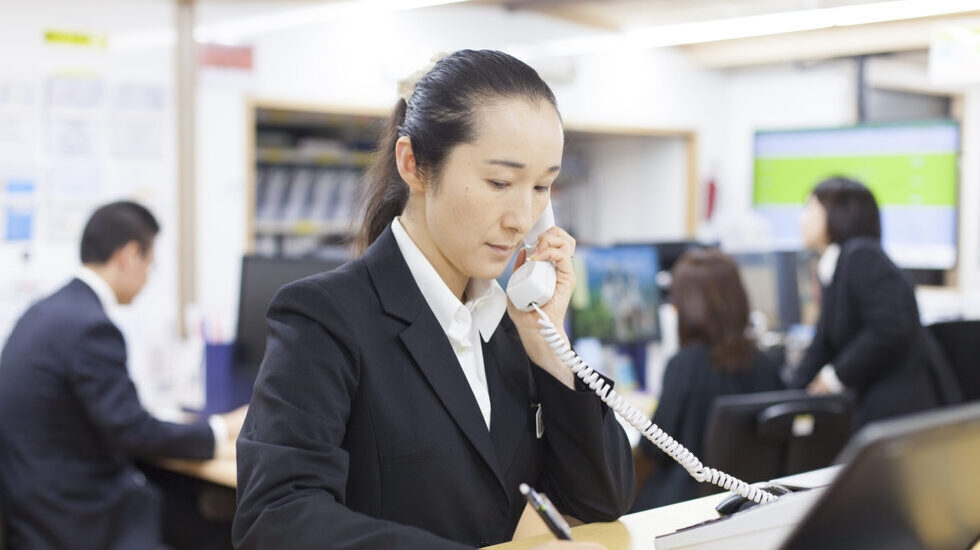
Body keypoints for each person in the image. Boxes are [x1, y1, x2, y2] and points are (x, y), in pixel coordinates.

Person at [232, 49, 635, 550]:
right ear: (413, 164)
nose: (521, 218)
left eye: (541, 187)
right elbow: (276, 519)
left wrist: (549, 346)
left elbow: (602, 500)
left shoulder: (509, 329)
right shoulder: (324, 317)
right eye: (500, 182)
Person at [0, 200, 247, 550]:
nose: (147, 278)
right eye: (150, 264)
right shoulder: (89, 327)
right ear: (130, 255)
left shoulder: (45, 312)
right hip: (76, 514)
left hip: (33, 503)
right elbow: (133, 431)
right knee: (228, 528)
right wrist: (221, 429)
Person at [630, 249, 784, 511]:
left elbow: (652, 448)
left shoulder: (684, 366)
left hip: (685, 509)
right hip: (748, 506)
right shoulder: (767, 365)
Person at [787, 176, 947, 429]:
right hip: (878, 413)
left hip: (898, 415)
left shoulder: (861, 255)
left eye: (810, 208)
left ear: (838, 213)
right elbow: (823, 342)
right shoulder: (835, 266)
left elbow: (889, 327)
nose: (801, 219)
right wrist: (790, 396)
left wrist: (834, 376)